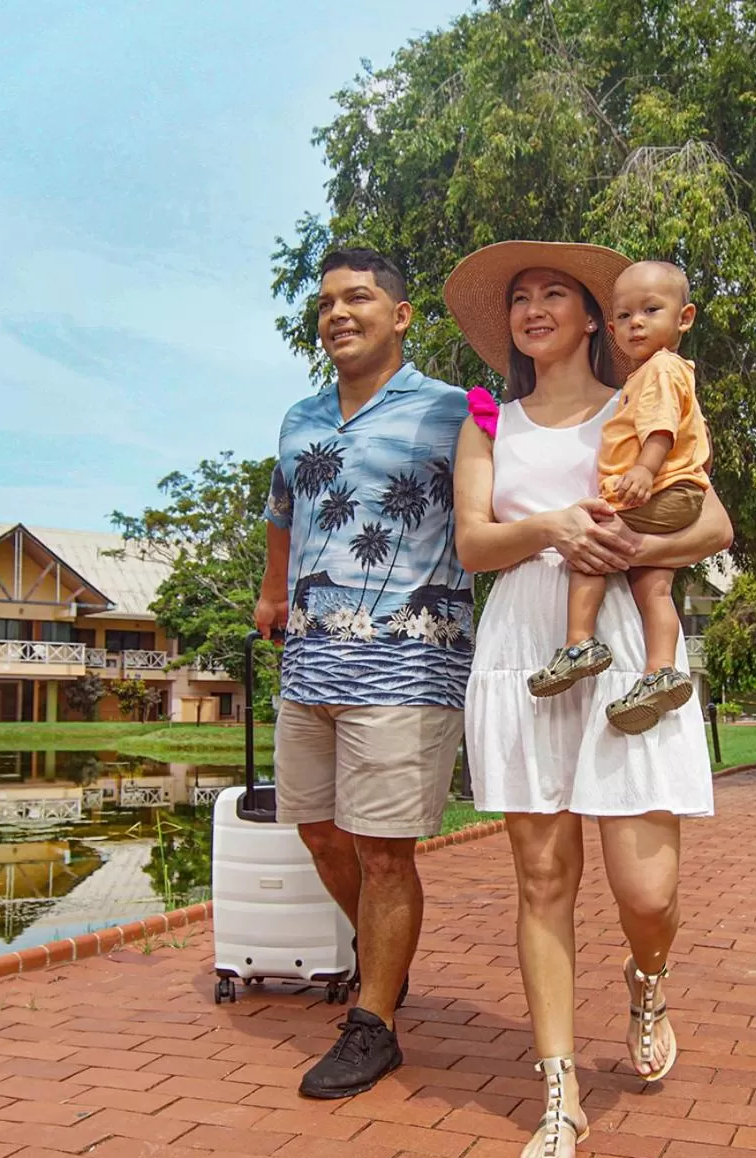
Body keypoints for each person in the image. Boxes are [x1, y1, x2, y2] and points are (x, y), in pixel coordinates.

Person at [445, 240, 732, 1158]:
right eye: (520, 298)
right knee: (541, 873)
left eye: (553, 293)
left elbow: (715, 525)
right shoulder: (491, 422)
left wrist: (615, 539)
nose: (533, 308)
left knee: (646, 892)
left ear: (591, 316)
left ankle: (647, 985)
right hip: (529, 639)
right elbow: (476, 544)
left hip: (620, 631)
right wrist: (552, 526)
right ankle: (559, 1092)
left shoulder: (642, 396)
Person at [254, 246, 470, 1100]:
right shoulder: (299, 416)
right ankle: (389, 958)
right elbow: (281, 508)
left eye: (359, 298)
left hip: (409, 660)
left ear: (402, 316)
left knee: (385, 851)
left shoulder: (457, 410)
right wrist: (272, 590)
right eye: (327, 302)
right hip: (309, 655)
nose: (338, 313)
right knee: (316, 829)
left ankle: (373, 1022)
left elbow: (514, 487)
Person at [527, 260, 711, 735]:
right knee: (654, 587)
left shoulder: (658, 372)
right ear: (611, 327)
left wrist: (644, 471)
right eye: (626, 316)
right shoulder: (659, 372)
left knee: (592, 545)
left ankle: (579, 644)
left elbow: (661, 428)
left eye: (651, 310)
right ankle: (662, 671)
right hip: (679, 494)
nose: (637, 323)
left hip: (664, 488)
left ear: (684, 318)